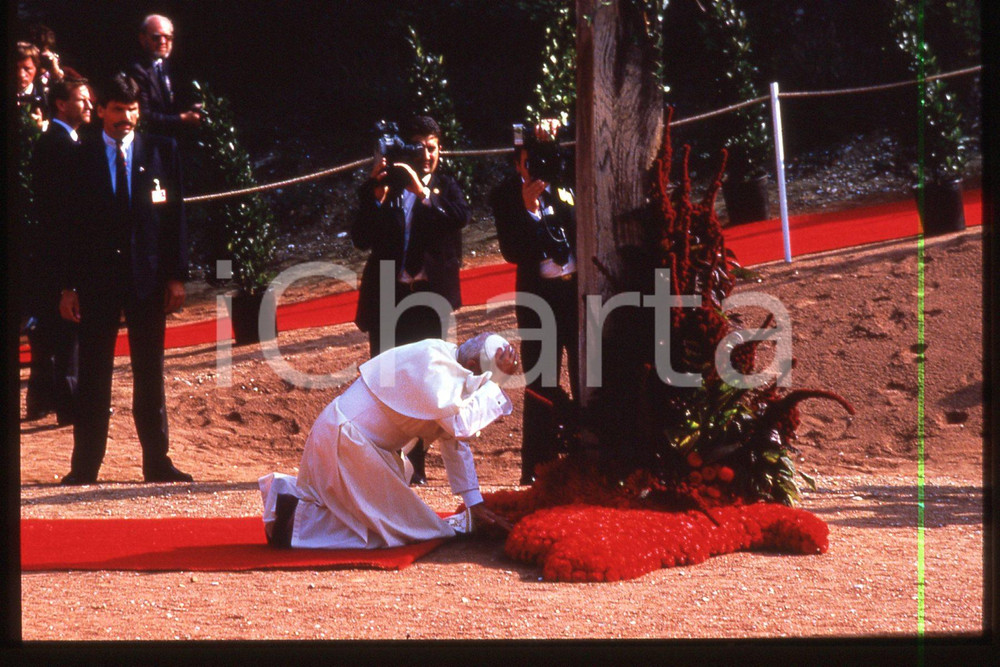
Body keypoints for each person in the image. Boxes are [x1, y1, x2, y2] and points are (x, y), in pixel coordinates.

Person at [259, 333, 519, 549]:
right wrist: (496, 384)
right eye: (485, 380)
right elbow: (460, 426)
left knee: (385, 522)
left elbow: (452, 439)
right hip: (347, 443)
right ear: (473, 366)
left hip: (356, 444)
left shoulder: (452, 362)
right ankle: (293, 528)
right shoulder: (432, 363)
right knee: (392, 532)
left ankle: (292, 507)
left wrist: (475, 503)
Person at [57, 73, 191, 485]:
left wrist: (176, 277)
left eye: (133, 110)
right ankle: (85, 467)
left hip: (148, 281)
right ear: (100, 109)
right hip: (96, 283)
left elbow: (175, 220)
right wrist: (67, 286)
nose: (126, 118)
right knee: (95, 375)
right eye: (118, 109)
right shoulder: (79, 158)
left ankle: (157, 462)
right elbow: (67, 226)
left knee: (149, 373)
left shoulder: (162, 151)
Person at [351, 115, 471, 484]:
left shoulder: (447, 188)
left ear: (440, 150)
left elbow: (457, 219)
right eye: (418, 147)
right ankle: (386, 462)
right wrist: (374, 194)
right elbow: (359, 237)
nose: (426, 155)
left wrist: (421, 191)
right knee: (385, 383)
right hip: (389, 296)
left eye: (431, 148)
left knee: (422, 385)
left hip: (426, 300)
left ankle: (415, 466)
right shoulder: (385, 189)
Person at [489, 120, 579, 485]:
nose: (537, 168)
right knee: (541, 381)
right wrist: (528, 210)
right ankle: (538, 468)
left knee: (588, 374)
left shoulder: (566, 182)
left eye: (542, 159)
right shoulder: (505, 196)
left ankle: (586, 455)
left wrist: (558, 127)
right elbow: (512, 252)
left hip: (576, 294)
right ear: (517, 165)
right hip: (538, 299)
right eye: (529, 162)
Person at [25, 78, 92, 424]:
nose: (89, 105)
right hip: (60, 248)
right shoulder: (58, 144)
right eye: (82, 100)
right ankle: (69, 404)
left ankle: (51, 400)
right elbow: (64, 209)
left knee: (59, 329)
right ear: (62, 105)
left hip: (59, 247)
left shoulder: (67, 140)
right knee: (66, 326)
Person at [128, 14, 202, 136]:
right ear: (143, 38)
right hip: (151, 141)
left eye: (167, 37)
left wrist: (194, 108)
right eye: (156, 37)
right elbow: (143, 115)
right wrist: (183, 118)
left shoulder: (173, 66)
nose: (163, 42)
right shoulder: (137, 70)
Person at [15, 41, 47, 129]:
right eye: (15, 68)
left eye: (27, 69)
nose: (20, 74)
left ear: (36, 68)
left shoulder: (46, 97)